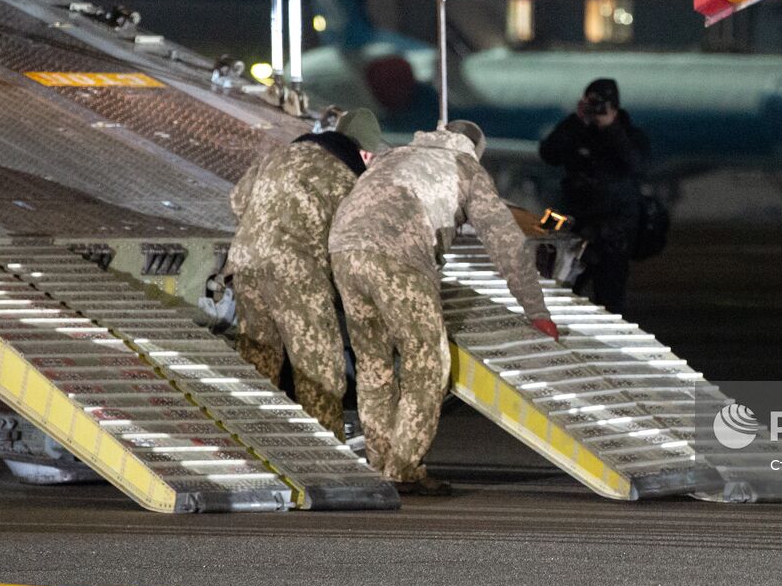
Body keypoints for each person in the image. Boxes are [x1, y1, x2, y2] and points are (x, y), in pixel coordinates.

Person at [329, 120, 559, 496]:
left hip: (343, 249)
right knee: (427, 363)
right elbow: (507, 245)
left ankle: (379, 461)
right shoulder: (466, 168)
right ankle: (402, 470)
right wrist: (536, 311)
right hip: (397, 257)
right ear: (476, 150)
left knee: (373, 364)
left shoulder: (395, 154)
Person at [226, 108, 384, 440]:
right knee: (319, 370)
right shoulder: (348, 178)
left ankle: (252, 447)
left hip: (245, 263)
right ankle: (324, 454)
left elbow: (238, 199)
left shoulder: (281, 154)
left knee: (258, 362)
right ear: (366, 151)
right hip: (296, 274)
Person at [539, 78, 650, 313]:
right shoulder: (577, 131)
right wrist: (577, 120)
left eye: (601, 104)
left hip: (613, 232)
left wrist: (611, 128)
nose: (596, 109)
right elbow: (549, 154)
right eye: (591, 103)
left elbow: (636, 165)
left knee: (610, 301)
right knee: (559, 295)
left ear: (614, 107)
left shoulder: (629, 135)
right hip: (576, 225)